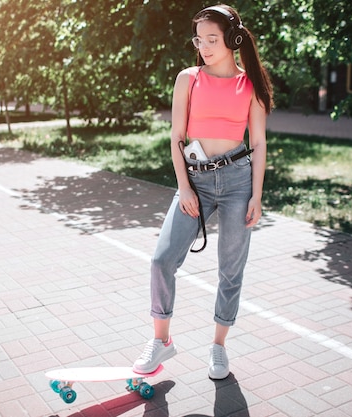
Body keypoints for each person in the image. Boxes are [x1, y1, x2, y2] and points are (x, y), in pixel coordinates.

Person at [132, 4, 273, 380]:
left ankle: (218, 346)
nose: (205, 46)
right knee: (162, 260)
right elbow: (176, 137)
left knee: (230, 270)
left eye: (213, 39)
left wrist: (256, 196)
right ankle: (162, 340)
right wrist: (184, 186)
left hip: (238, 182)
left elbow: (258, 144)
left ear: (233, 40)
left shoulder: (251, 84)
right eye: (200, 39)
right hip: (194, 181)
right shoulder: (188, 78)